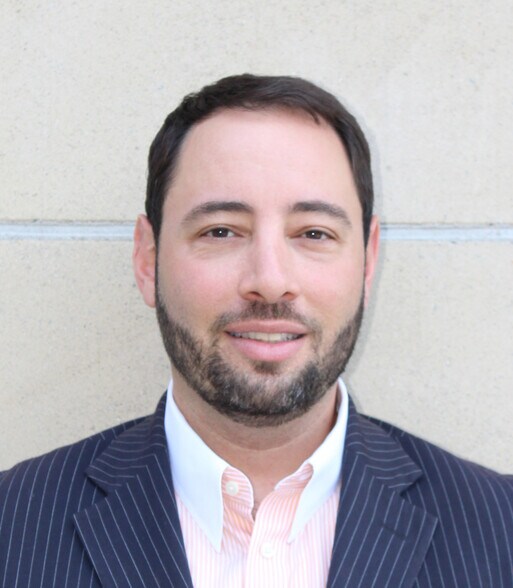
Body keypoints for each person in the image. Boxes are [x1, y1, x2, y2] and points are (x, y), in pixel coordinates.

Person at [0, 74, 511, 588]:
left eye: (314, 233)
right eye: (221, 230)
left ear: (368, 260)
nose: (269, 281)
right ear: (148, 260)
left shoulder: (500, 530)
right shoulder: (12, 524)